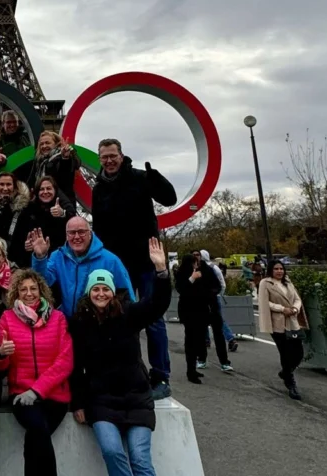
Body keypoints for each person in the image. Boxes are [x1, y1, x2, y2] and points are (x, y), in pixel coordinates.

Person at [69, 239, 172, 476]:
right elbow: (75, 367)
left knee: (140, 457)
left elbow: (158, 304)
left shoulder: (128, 314)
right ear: (89, 292)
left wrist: (160, 271)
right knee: (113, 452)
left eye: (105, 287)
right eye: (95, 287)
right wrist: (78, 402)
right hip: (101, 402)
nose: (100, 292)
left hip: (136, 398)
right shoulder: (79, 324)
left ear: (113, 292)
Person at [0, 269, 74, 476]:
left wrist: (39, 390)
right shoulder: (7, 320)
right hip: (21, 397)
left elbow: (65, 361)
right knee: (37, 432)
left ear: (42, 292)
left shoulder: (58, 319)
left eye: (34, 289)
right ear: (15, 293)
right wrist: (2, 353)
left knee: (34, 441)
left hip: (53, 397)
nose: (29, 293)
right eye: (23, 289)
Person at [91, 138, 178, 401]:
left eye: (112, 155)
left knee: (153, 319)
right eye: (104, 157)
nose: (108, 160)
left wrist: (156, 177)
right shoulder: (98, 189)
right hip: (119, 264)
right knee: (119, 319)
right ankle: (127, 372)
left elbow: (169, 198)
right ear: (99, 158)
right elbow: (99, 228)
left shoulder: (141, 178)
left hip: (146, 260)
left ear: (121, 155)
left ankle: (161, 375)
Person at [31, 216, 133, 318]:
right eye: (72, 233)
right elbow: (43, 281)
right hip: (68, 323)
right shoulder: (58, 256)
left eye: (81, 232)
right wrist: (40, 258)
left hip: (99, 325)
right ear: (66, 235)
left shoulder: (110, 260)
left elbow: (127, 296)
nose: (76, 237)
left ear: (90, 233)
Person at [174, 251, 232, 382]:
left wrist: (210, 294)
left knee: (201, 338)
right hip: (188, 312)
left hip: (203, 310)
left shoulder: (206, 271)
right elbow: (182, 290)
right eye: (194, 263)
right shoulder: (182, 274)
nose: (196, 266)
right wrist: (192, 278)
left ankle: (209, 362)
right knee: (190, 341)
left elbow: (216, 285)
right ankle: (191, 370)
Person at [258, 259, 308, 401]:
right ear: (271, 270)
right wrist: (282, 309)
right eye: (276, 269)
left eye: (281, 268)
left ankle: (285, 372)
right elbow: (264, 302)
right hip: (277, 323)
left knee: (298, 353)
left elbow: (297, 299)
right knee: (285, 353)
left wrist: (295, 309)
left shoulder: (288, 281)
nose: (279, 271)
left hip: (292, 321)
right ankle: (291, 383)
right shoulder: (265, 283)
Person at [13, 175, 75, 267]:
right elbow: (18, 236)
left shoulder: (61, 209)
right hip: (32, 262)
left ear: (55, 191)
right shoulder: (28, 210)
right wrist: (25, 245)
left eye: (49, 188)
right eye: (42, 189)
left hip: (58, 262)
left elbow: (73, 225)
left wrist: (62, 214)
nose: (45, 192)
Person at [0, 171, 30, 250]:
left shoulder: (24, 207)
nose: (5, 188)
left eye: (8, 184)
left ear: (14, 186)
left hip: (17, 254)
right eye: (1, 184)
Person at [200, 249, 238, 353]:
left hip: (207, 297)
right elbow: (222, 284)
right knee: (218, 319)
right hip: (214, 296)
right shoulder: (214, 267)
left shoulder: (205, 268)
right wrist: (219, 294)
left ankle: (206, 340)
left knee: (203, 318)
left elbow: (221, 283)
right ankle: (230, 339)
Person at [31, 131, 81, 203]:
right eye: (41, 144)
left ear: (56, 143)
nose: (44, 146)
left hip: (63, 204)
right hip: (45, 204)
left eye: (47, 143)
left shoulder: (63, 157)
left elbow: (65, 177)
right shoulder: (40, 163)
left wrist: (65, 158)